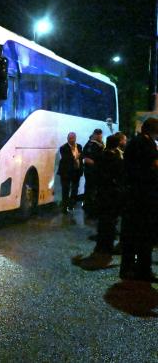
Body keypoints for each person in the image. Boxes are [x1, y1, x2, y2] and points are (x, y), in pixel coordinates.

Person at [72, 133, 127, 270]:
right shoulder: (115, 158)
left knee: (104, 222)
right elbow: (120, 175)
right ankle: (106, 248)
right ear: (118, 144)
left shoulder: (102, 156)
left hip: (103, 194)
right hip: (112, 194)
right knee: (109, 222)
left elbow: (96, 173)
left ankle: (102, 247)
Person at [119, 118, 158, 282]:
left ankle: (129, 267)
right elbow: (153, 166)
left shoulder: (136, 142)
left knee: (132, 234)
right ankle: (142, 269)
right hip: (142, 197)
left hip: (134, 196)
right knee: (144, 234)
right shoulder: (145, 144)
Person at [57, 132, 83, 213]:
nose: (72, 139)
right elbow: (66, 159)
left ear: (75, 138)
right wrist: (76, 157)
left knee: (75, 189)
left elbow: (81, 157)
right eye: (70, 138)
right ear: (67, 138)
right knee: (65, 190)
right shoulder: (63, 148)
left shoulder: (79, 146)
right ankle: (64, 208)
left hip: (76, 171)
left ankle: (71, 205)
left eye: (73, 138)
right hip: (66, 172)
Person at [82, 128, 105, 217]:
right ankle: (90, 209)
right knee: (91, 190)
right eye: (98, 134)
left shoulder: (99, 144)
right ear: (95, 135)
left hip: (95, 171)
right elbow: (87, 157)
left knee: (91, 189)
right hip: (92, 171)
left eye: (100, 134)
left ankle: (90, 207)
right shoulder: (92, 145)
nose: (100, 136)